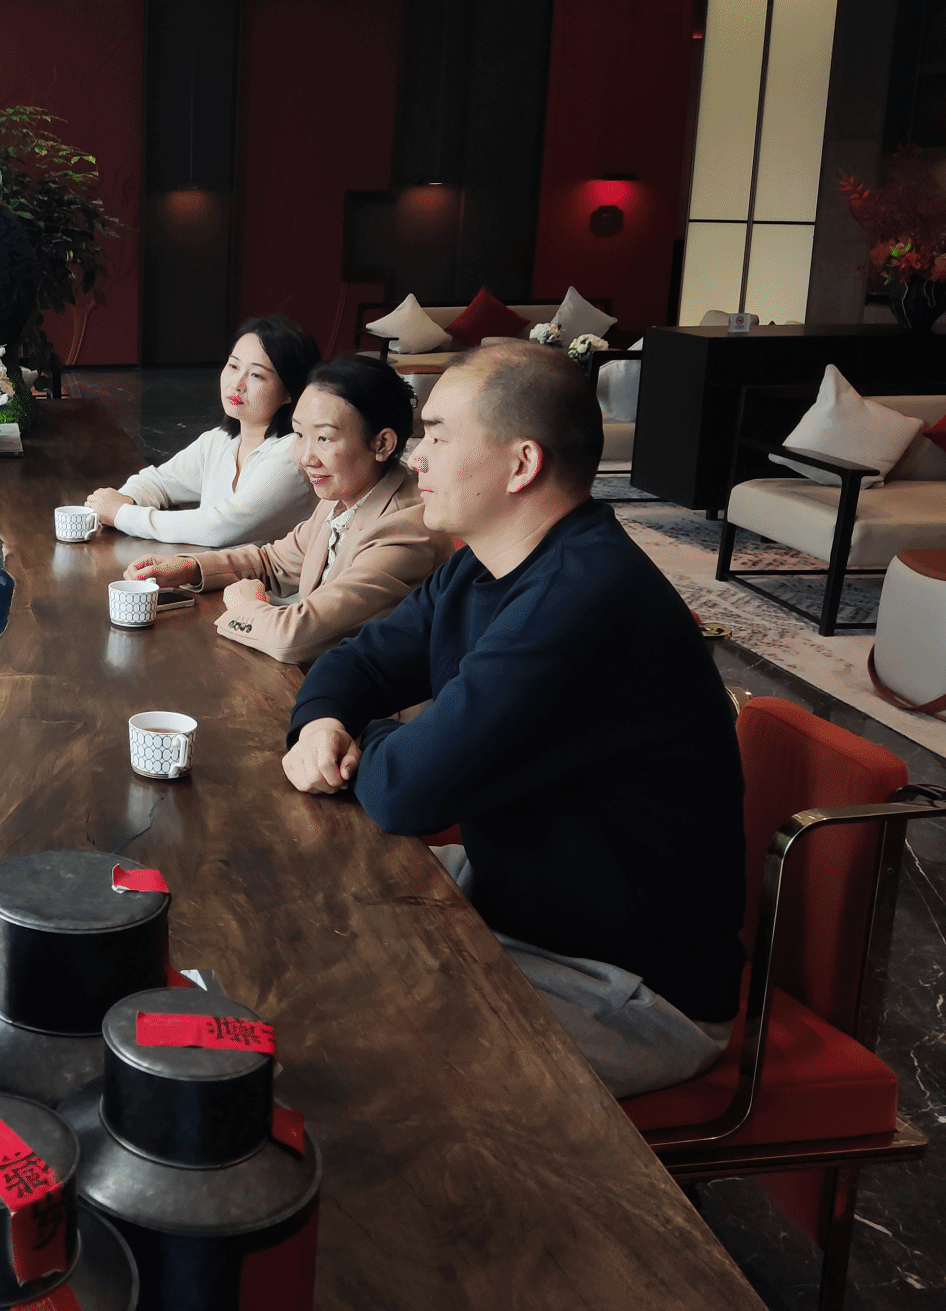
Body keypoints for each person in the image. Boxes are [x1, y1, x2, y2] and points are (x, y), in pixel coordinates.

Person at [282, 342, 746, 1098]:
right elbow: (356, 662)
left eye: (438, 437)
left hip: (626, 985)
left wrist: (360, 736)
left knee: (329, 1044)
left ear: (521, 463)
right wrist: (320, 722)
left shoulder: (583, 597)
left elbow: (409, 792)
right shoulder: (483, 563)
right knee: (296, 911)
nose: (417, 459)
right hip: (519, 902)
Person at [124, 356, 451, 664]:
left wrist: (246, 605)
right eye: (299, 435)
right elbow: (273, 563)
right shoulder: (343, 496)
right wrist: (190, 567)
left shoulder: (405, 530)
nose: (305, 457)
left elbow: (294, 637)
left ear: (382, 444)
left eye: (324, 438)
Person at [83, 315, 320, 548]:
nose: (236, 383)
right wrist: (125, 499)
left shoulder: (292, 457)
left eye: (256, 375)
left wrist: (121, 514)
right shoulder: (219, 441)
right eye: (233, 366)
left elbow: (218, 527)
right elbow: (159, 481)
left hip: (256, 576)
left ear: (290, 392)